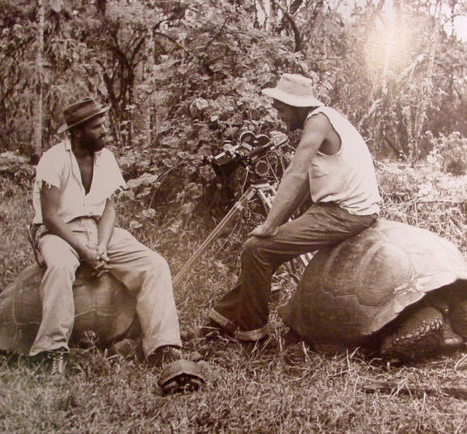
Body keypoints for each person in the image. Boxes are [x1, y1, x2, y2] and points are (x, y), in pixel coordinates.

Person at [30, 96, 204, 393]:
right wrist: (85, 251)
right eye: (98, 127)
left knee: (154, 265)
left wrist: (100, 246)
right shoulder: (54, 159)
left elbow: (109, 209)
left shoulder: (106, 159)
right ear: (77, 132)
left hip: (98, 230)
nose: (105, 131)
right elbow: (50, 217)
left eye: (104, 124)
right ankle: (51, 351)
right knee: (60, 266)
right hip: (59, 231)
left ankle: (163, 346)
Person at [205, 73, 382, 342]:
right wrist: (274, 225)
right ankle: (222, 319)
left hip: (346, 212)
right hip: (338, 209)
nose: (280, 117)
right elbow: (303, 184)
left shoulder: (318, 121)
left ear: (300, 107)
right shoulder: (325, 118)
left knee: (257, 249)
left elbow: (296, 174)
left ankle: (252, 336)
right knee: (264, 248)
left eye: (283, 110)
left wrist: (269, 226)